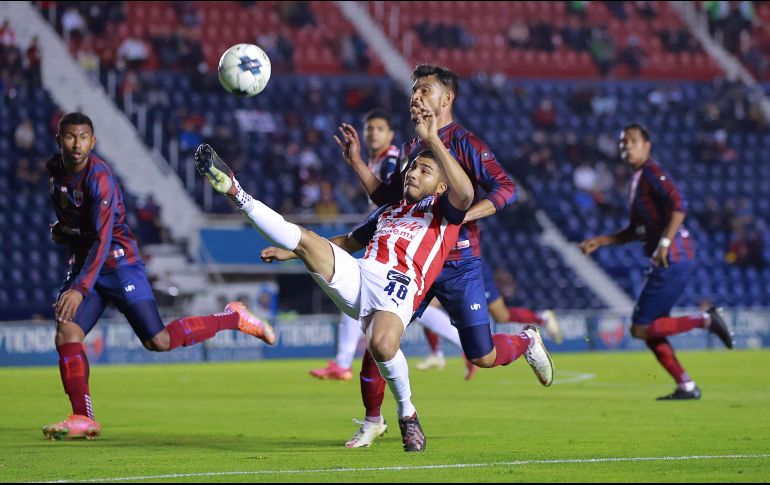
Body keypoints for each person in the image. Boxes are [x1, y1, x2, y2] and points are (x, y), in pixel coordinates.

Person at [196, 101, 552, 452]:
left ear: (440, 186)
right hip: (362, 274)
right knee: (305, 238)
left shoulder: (446, 212)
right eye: (412, 169)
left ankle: (413, 411)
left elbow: (465, 192)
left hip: (400, 287)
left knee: (396, 347)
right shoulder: (391, 209)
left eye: (424, 172)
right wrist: (294, 252)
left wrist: (433, 141)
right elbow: (348, 241)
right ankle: (236, 191)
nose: (412, 173)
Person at [337, 64, 554, 448]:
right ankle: (373, 420)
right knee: (377, 340)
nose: (416, 96)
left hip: (459, 264)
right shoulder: (409, 148)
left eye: (425, 90)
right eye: (414, 90)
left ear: (447, 99)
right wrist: (356, 161)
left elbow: (506, 190)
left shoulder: (466, 143)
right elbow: (388, 199)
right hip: (413, 263)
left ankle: (526, 341)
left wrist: (456, 218)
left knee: (482, 355)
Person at [43, 113, 275, 441]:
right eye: (70, 137)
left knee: (158, 341)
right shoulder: (56, 175)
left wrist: (80, 287)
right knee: (67, 333)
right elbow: (78, 221)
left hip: (119, 264)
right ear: (60, 140)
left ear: (93, 142)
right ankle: (82, 416)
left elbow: (103, 237)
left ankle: (233, 317)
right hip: (87, 266)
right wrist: (64, 230)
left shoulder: (100, 178)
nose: (76, 144)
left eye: (83, 137)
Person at [307, 109, 467, 382]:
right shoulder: (377, 159)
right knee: (381, 307)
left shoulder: (392, 159)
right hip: (392, 234)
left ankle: (346, 365)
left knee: (379, 306)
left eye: (379, 128)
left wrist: (358, 166)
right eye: (369, 128)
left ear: (390, 134)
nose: (372, 133)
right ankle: (347, 367)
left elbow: (392, 197)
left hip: (411, 242)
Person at [579, 123, 733, 401]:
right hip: (671, 257)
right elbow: (636, 230)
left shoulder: (652, 172)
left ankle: (706, 319)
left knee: (641, 327)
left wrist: (663, 243)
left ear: (647, 145)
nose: (626, 146)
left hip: (672, 256)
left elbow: (680, 204)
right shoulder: (639, 179)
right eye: (623, 142)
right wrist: (600, 241)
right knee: (651, 330)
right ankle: (686, 386)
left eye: (633, 141)